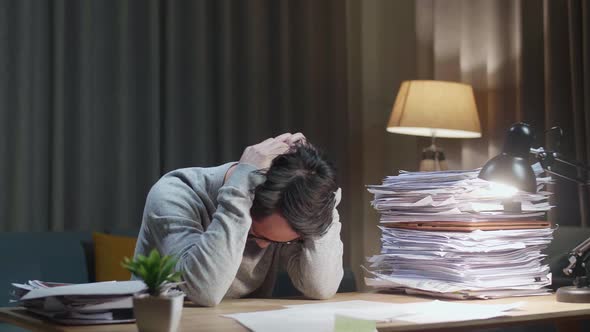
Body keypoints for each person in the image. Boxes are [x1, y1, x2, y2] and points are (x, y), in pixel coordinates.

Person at [133, 133, 343, 306]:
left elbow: (320, 287)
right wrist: (239, 188)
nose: (261, 246)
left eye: (281, 242)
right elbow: (204, 290)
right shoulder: (174, 192)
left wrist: (320, 197)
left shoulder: (284, 213)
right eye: (254, 233)